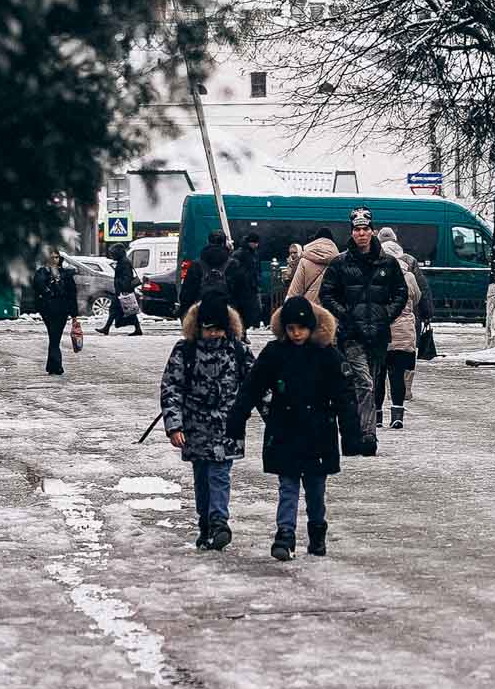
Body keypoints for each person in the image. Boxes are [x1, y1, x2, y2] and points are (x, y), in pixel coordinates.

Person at [226, 296, 362, 561]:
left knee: (315, 489)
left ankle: (317, 531)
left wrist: (352, 434)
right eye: (290, 328)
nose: (296, 333)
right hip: (285, 430)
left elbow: (345, 396)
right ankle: (284, 535)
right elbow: (251, 387)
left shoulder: (327, 355)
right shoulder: (275, 353)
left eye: (301, 327)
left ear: (311, 327)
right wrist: (236, 418)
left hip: (318, 432)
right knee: (287, 486)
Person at [159, 295, 254, 550]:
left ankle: (219, 521)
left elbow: (255, 387)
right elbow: (172, 388)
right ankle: (206, 523)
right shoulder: (185, 351)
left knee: (220, 474)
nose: (214, 334)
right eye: (209, 329)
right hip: (195, 427)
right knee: (202, 477)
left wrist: (276, 417)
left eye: (219, 329)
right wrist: (174, 426)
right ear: (199, 327)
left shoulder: (238, 350)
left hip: (227, 425)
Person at [319, 208, 407, 457]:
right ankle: (366, 434)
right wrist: (346, 316)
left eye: (365, 229)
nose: (361, 234)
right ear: (352, 232)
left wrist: (385, 314)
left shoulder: (387, 263)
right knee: (364, 383)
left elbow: (401, 293)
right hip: (351, 334)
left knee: (374, 383)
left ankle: (359, 432)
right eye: (357, 230)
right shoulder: (340, 263)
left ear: (373, 231)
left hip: (378, 334)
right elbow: (328, 294)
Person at [375, 232, 423, 430]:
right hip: (403, 333)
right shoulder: (409, 276)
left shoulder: (375, 274)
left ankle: (377, 416)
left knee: (378, 376)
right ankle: (397, 415)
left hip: (379, 332)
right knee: (397, 375)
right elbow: (417, 297)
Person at [31, 248, 80, 376]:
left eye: (56, 257)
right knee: (54, 336)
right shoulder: (42, 272)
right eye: (51, 257)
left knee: (54, 338)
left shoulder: (65, 274)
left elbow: (72, 294)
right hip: (47, 310)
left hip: (62, 310)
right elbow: (38, 285)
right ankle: (56, 366)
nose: (54, 260)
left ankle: (53, 366)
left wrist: (74, 315)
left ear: (60, 259)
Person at [177, 231, 232, 318]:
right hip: (227, 311)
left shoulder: (196, 264)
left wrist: (183, 310)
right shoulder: (233, 264)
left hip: (201, 310)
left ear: (208, 242)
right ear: (224, 243)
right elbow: (242, 291)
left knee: (191, 330)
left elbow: (187, 292)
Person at [100, 242, 144, 336]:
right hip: (122, 291)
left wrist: (121, 288)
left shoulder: (124, 262)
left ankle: (107, 328)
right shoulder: (122, 261)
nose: (112, 255)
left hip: (123, 291)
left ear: (118, 253)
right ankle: (107, 328)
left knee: (121, 310)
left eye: (113, 253)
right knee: (125, 310)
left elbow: (126, 278)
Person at [286, 229, 338, 302]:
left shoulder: (304, 261)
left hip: (309, 308)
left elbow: (295, 290)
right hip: (330, 309)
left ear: (316, 241)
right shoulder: (339, 261)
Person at [228, 232, 264, 333]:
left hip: (251, 286)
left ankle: (243, 331)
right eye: (254, 242)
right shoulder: (241, 254)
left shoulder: (252, 253)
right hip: (243, 288)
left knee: (250, 311)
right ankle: (242, 332)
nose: (256, 245)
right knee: (244, 311)